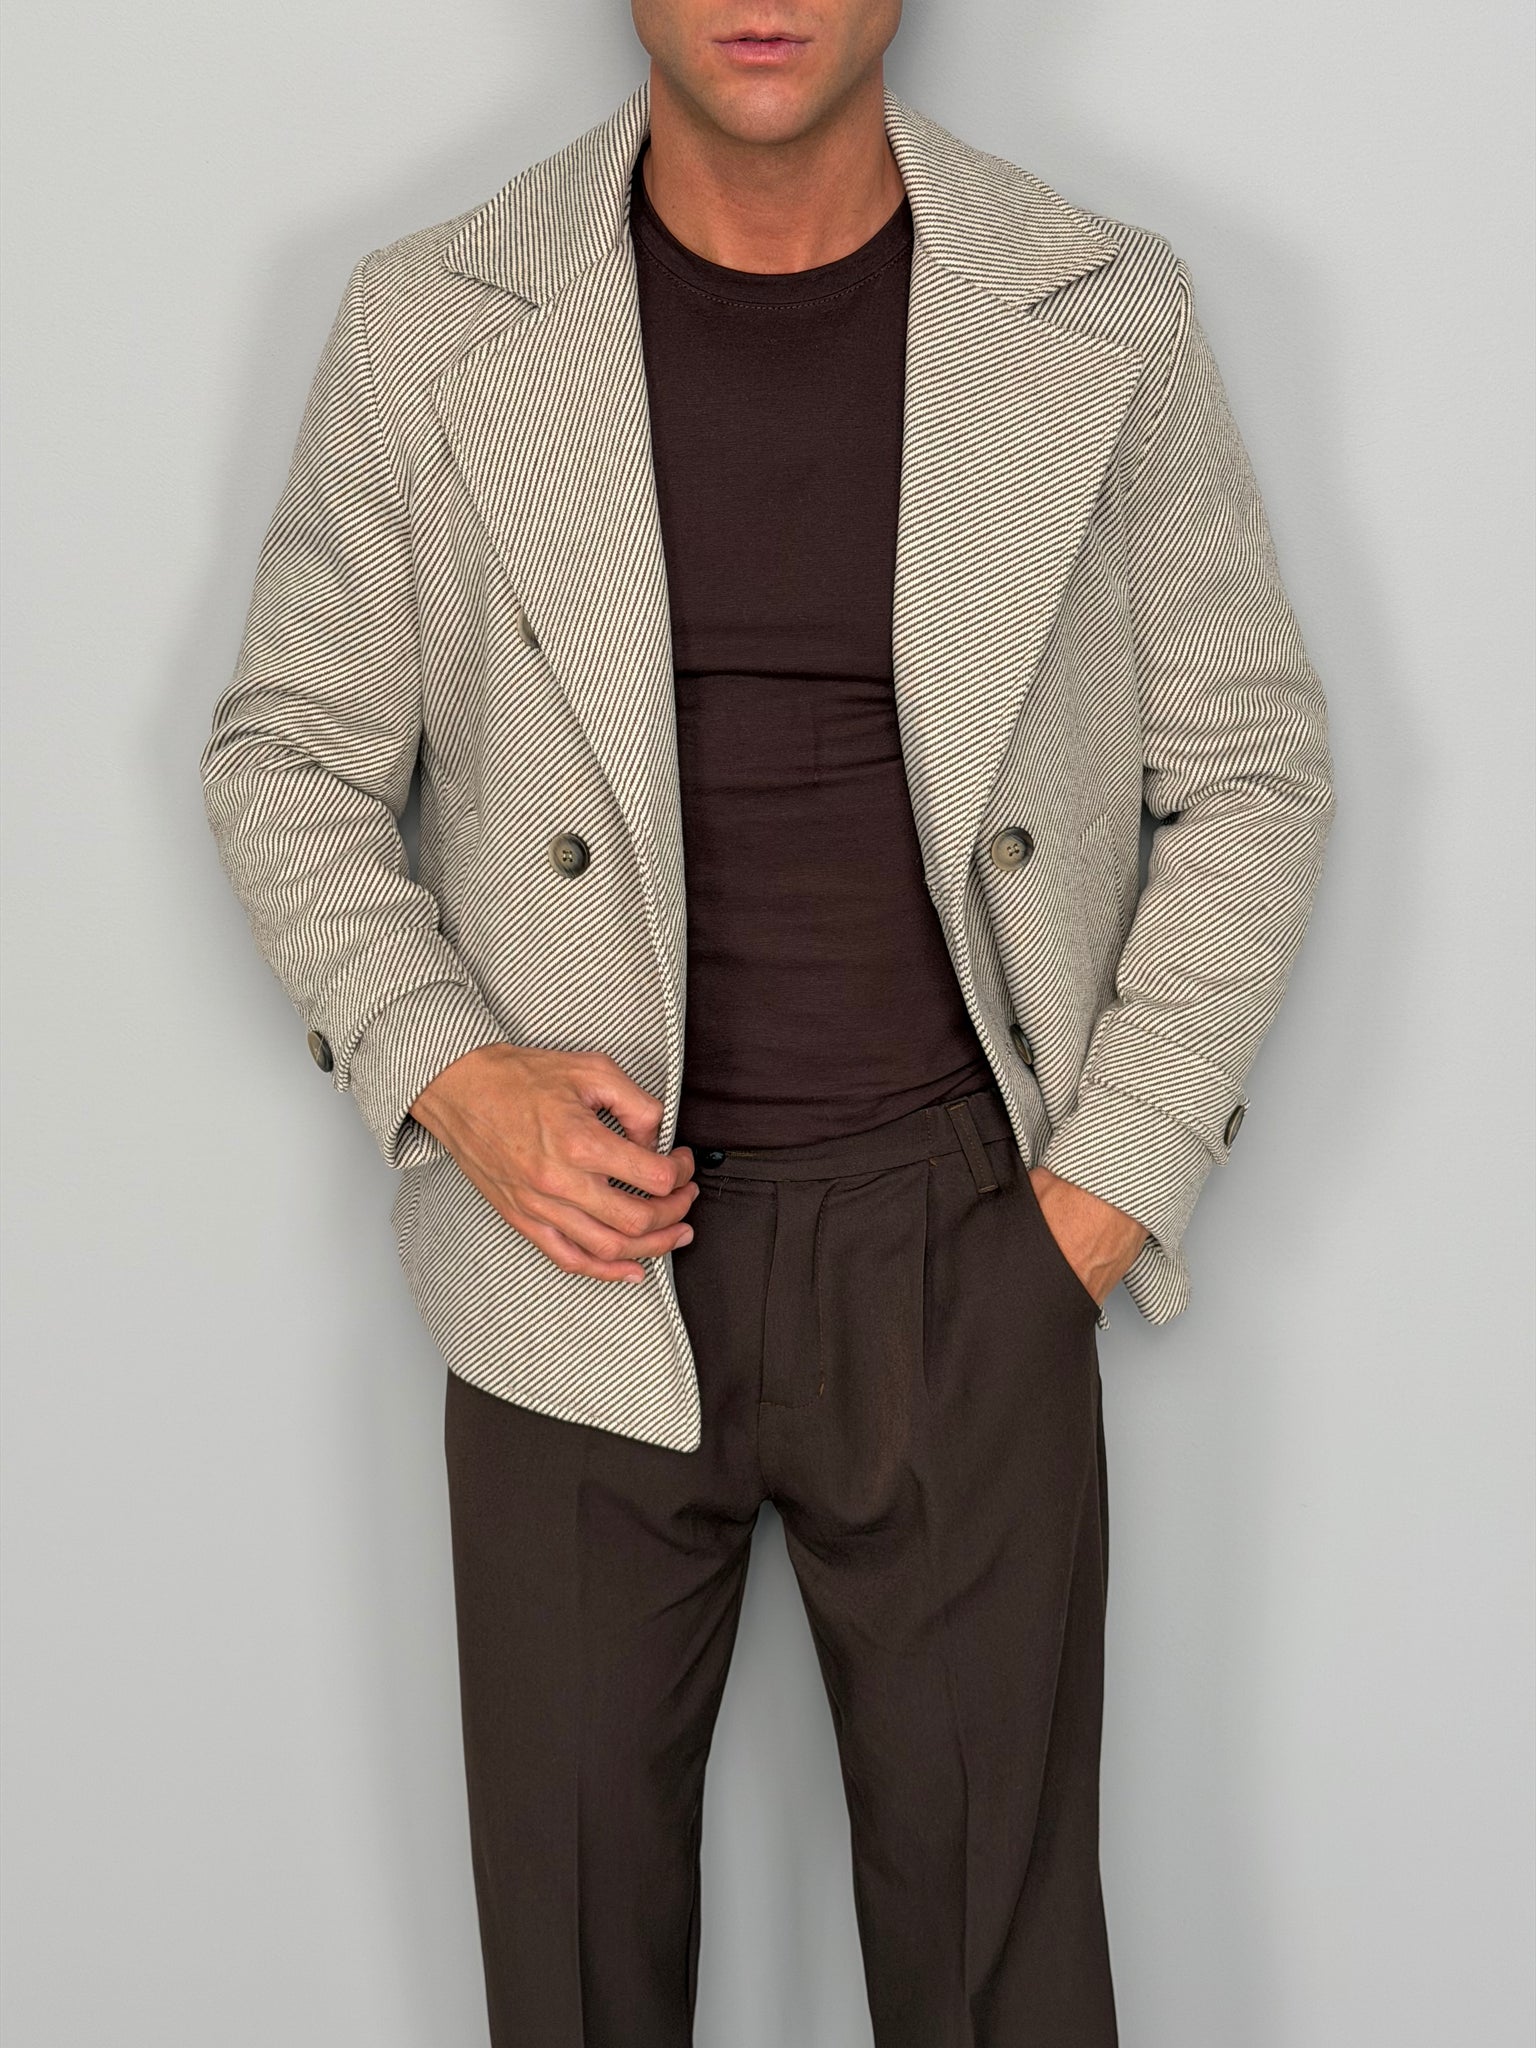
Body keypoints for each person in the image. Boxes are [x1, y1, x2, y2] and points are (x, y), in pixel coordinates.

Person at [198, 3, 1336, 2040]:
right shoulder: (427, 323)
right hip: (570, 1261)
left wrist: (1099, 1197)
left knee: (1005, 1991)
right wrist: (453, 1074)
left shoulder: (1104, 308)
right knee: (574, 1977)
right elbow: (286, 755)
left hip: (966, 1244)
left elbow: (1252, 765)